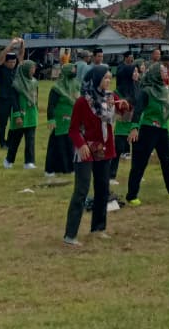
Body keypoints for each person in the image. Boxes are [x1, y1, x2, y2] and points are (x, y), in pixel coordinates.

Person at [62, 66, 131, 247]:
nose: (108, 81)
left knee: (102, 189)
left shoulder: (110, 97)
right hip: (86, 150)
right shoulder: (83, 101)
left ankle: (98, 228)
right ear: (96, 79)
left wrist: (125, 107)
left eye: (110, 78)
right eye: (105, 78)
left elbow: (125, 116)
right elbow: (73, 129)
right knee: (81, 191)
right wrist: (81, 144)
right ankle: (70, 234)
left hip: (104, 150)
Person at [125, 61, 169, 205]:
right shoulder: (147, 91)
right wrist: (134, 128)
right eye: (162, 70)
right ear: (155, 73)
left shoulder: (168, 90)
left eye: (166, 70)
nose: (166, 72)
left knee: (167, 161)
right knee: (139, 164)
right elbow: (138, 110)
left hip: (163, 130)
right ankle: (132, 195)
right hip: (147, 130)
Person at [45, 62, 81, 183]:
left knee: (70, 144)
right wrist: (51, 119)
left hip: (73, 119)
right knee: (57, 144)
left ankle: (69, 168)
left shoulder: (76, 84)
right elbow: (51, 105)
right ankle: (50, 169)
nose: (75, 71)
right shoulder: (57, 87)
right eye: (73, 69)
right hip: (60, 120)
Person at [3, 59, 39, 170]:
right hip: (21, 115)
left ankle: (29, 162)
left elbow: (36, 98)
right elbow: (14, 101)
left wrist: (36, 110)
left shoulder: (35, 82)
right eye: (32, 68)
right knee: (16, 140)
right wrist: (17, 115)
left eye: (34, 67)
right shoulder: (16, 84)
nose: (34, 70)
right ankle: (9, 160)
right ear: (26, 69)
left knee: (30, 140)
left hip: (31, 114)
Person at [0, 39, 24, 148]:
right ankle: (2, 143)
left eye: (14, 62)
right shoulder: (1, 69)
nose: (12, 64)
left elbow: (21, 56)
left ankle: (11, 142)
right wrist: (11, 44)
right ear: (6, 62)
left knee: (15, 122)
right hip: (4, 98)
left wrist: (22, 44)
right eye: (10, 62)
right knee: (3, 122)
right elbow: (2, 56)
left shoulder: (15, 69)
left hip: (15, 99)